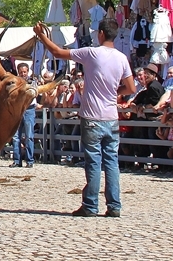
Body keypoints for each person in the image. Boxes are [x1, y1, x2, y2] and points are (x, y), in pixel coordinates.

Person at [34, 19, 135, 217]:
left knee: (94, 162)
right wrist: (114, 92)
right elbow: (131, 88)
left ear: (101, 34)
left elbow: (57, 52)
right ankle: (114, 206)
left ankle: (90, 205)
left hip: (92, 117)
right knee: (111, 163)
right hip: (111, 117)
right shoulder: (122, 58)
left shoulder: (91, 53)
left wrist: (41, 35)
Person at [11, 63, 36, 168]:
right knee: (16, 136)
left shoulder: (33, 82)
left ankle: (29, 160)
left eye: (24, 72)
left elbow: (34, 94)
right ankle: (17, 160)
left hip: (29, 109)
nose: (23, 74)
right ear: (18, 72)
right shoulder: (15, 83)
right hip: (17, 110)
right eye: (21, 72)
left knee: (29, 136)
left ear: (28, 71)